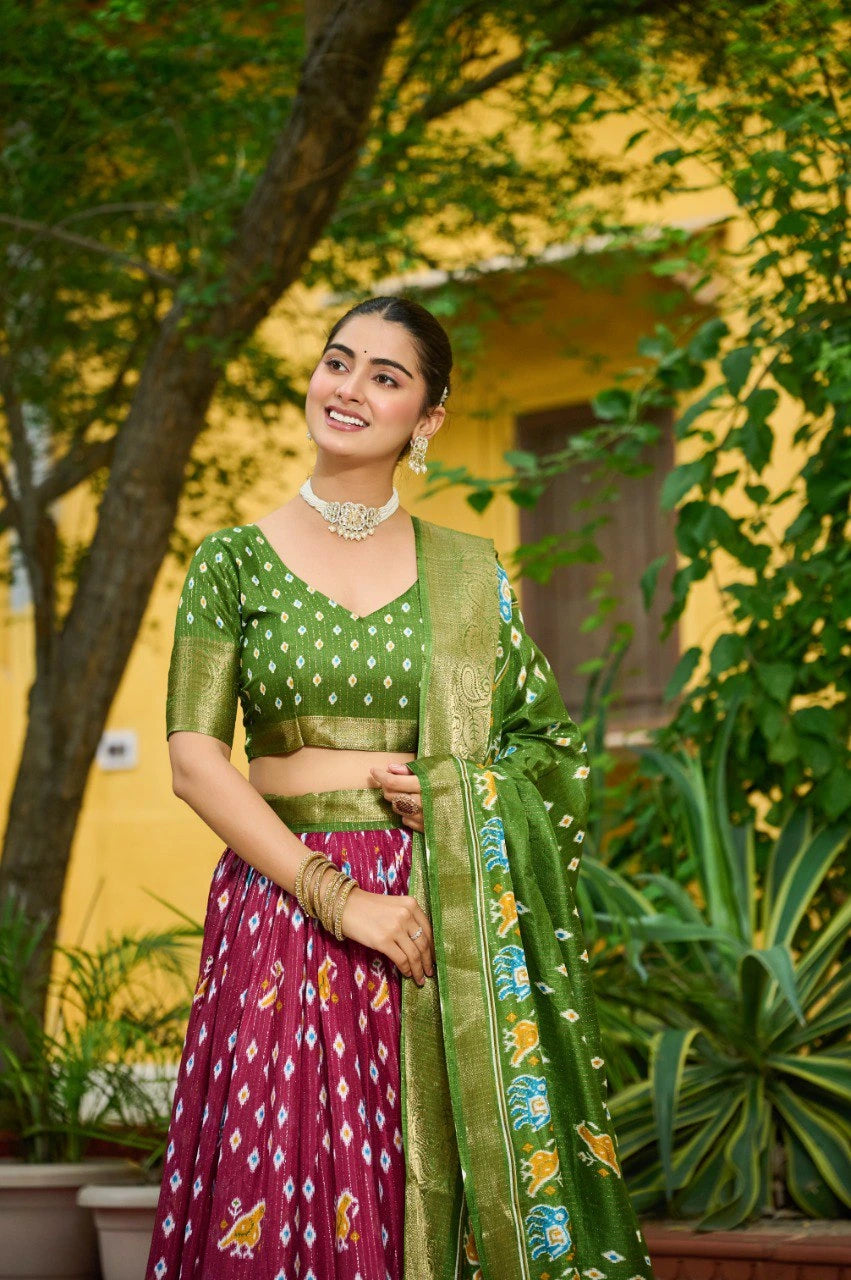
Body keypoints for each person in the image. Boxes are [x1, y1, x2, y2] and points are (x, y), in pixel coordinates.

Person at [147, 295, 656, 1280]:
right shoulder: (232, 560)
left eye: (386, 376)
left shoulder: (465, 573)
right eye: (339, 362)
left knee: (415, 1188)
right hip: (284, 906)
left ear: (424, 418)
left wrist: (467, 791)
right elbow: (192, 758)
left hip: (435, 915)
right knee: (286, 1178)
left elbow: (547, 745)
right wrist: (334, 895)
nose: (350, 387)